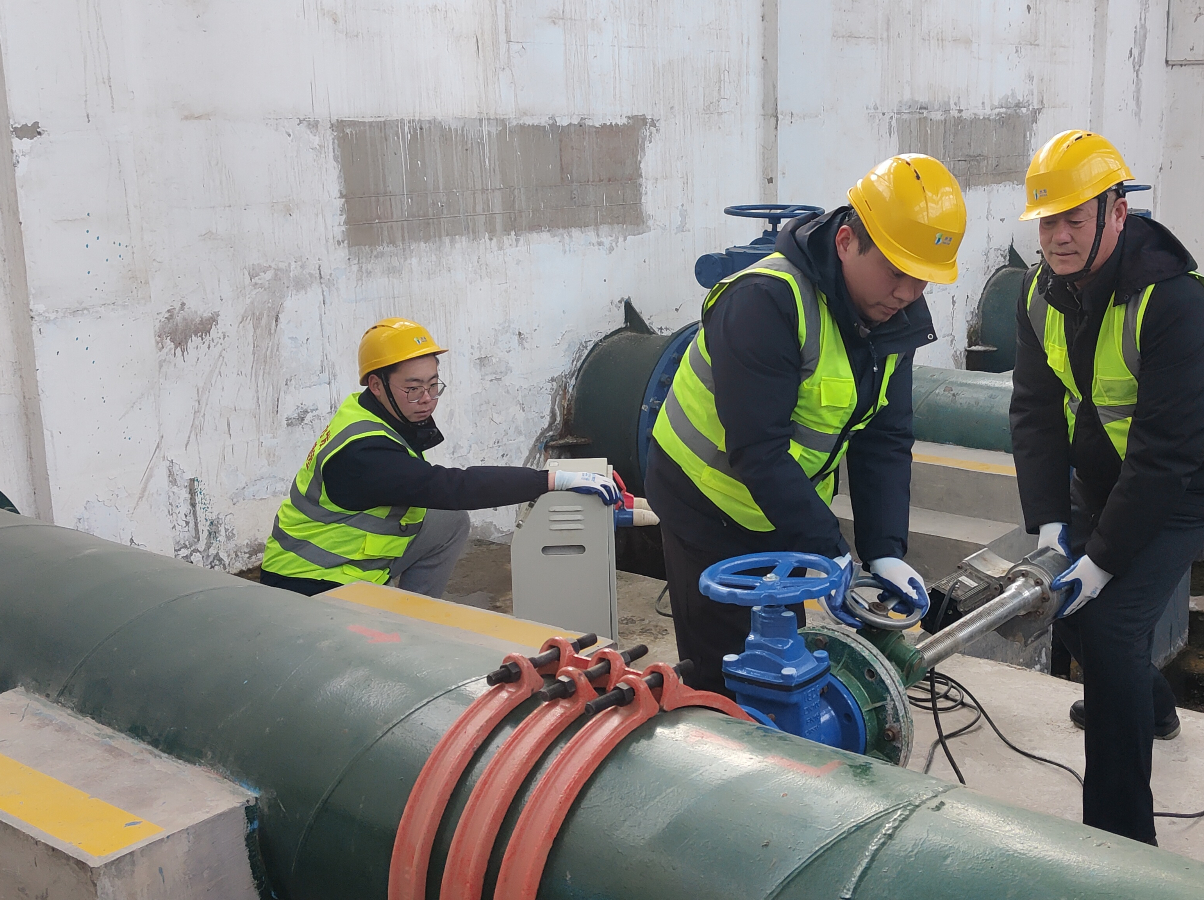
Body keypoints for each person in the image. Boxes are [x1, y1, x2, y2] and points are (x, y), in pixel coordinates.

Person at [1009, 131, 1204, 844]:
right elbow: (1034, 411)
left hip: (1201, 467)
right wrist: (1051, 527)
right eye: (1046, 222)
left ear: (1117, 213)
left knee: (1111, 625)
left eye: (1074, 219)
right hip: (1115, 462)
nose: (1058, 237)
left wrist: (1103, 559)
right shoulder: (1040, 295)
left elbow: (1165, 456)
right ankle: (1146, 707)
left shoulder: (1174, 303)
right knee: (1065, 599)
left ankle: (1120, 841)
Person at [645, 154, 967, 695]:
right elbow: (759, 451)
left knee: (783, 657)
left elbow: (884, 438)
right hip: (705, 501)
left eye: (924, 280)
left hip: (782, 505)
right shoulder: (763, 301)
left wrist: (884, 549)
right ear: (846, 241)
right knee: (728, 675)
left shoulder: (896, 315)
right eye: (896, 272)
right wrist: (832, 552)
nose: (909, 294)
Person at [260, 317, 621, 598]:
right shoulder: (364, 453)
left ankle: (416, 616)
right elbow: (452, 486)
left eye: (433, 385)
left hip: (348, 556)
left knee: (447, 523)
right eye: (413, 388)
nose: (427, 399)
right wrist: (549, 480)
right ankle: (395, 626)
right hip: (312, 580)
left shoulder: (369, 411)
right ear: (376, 385)